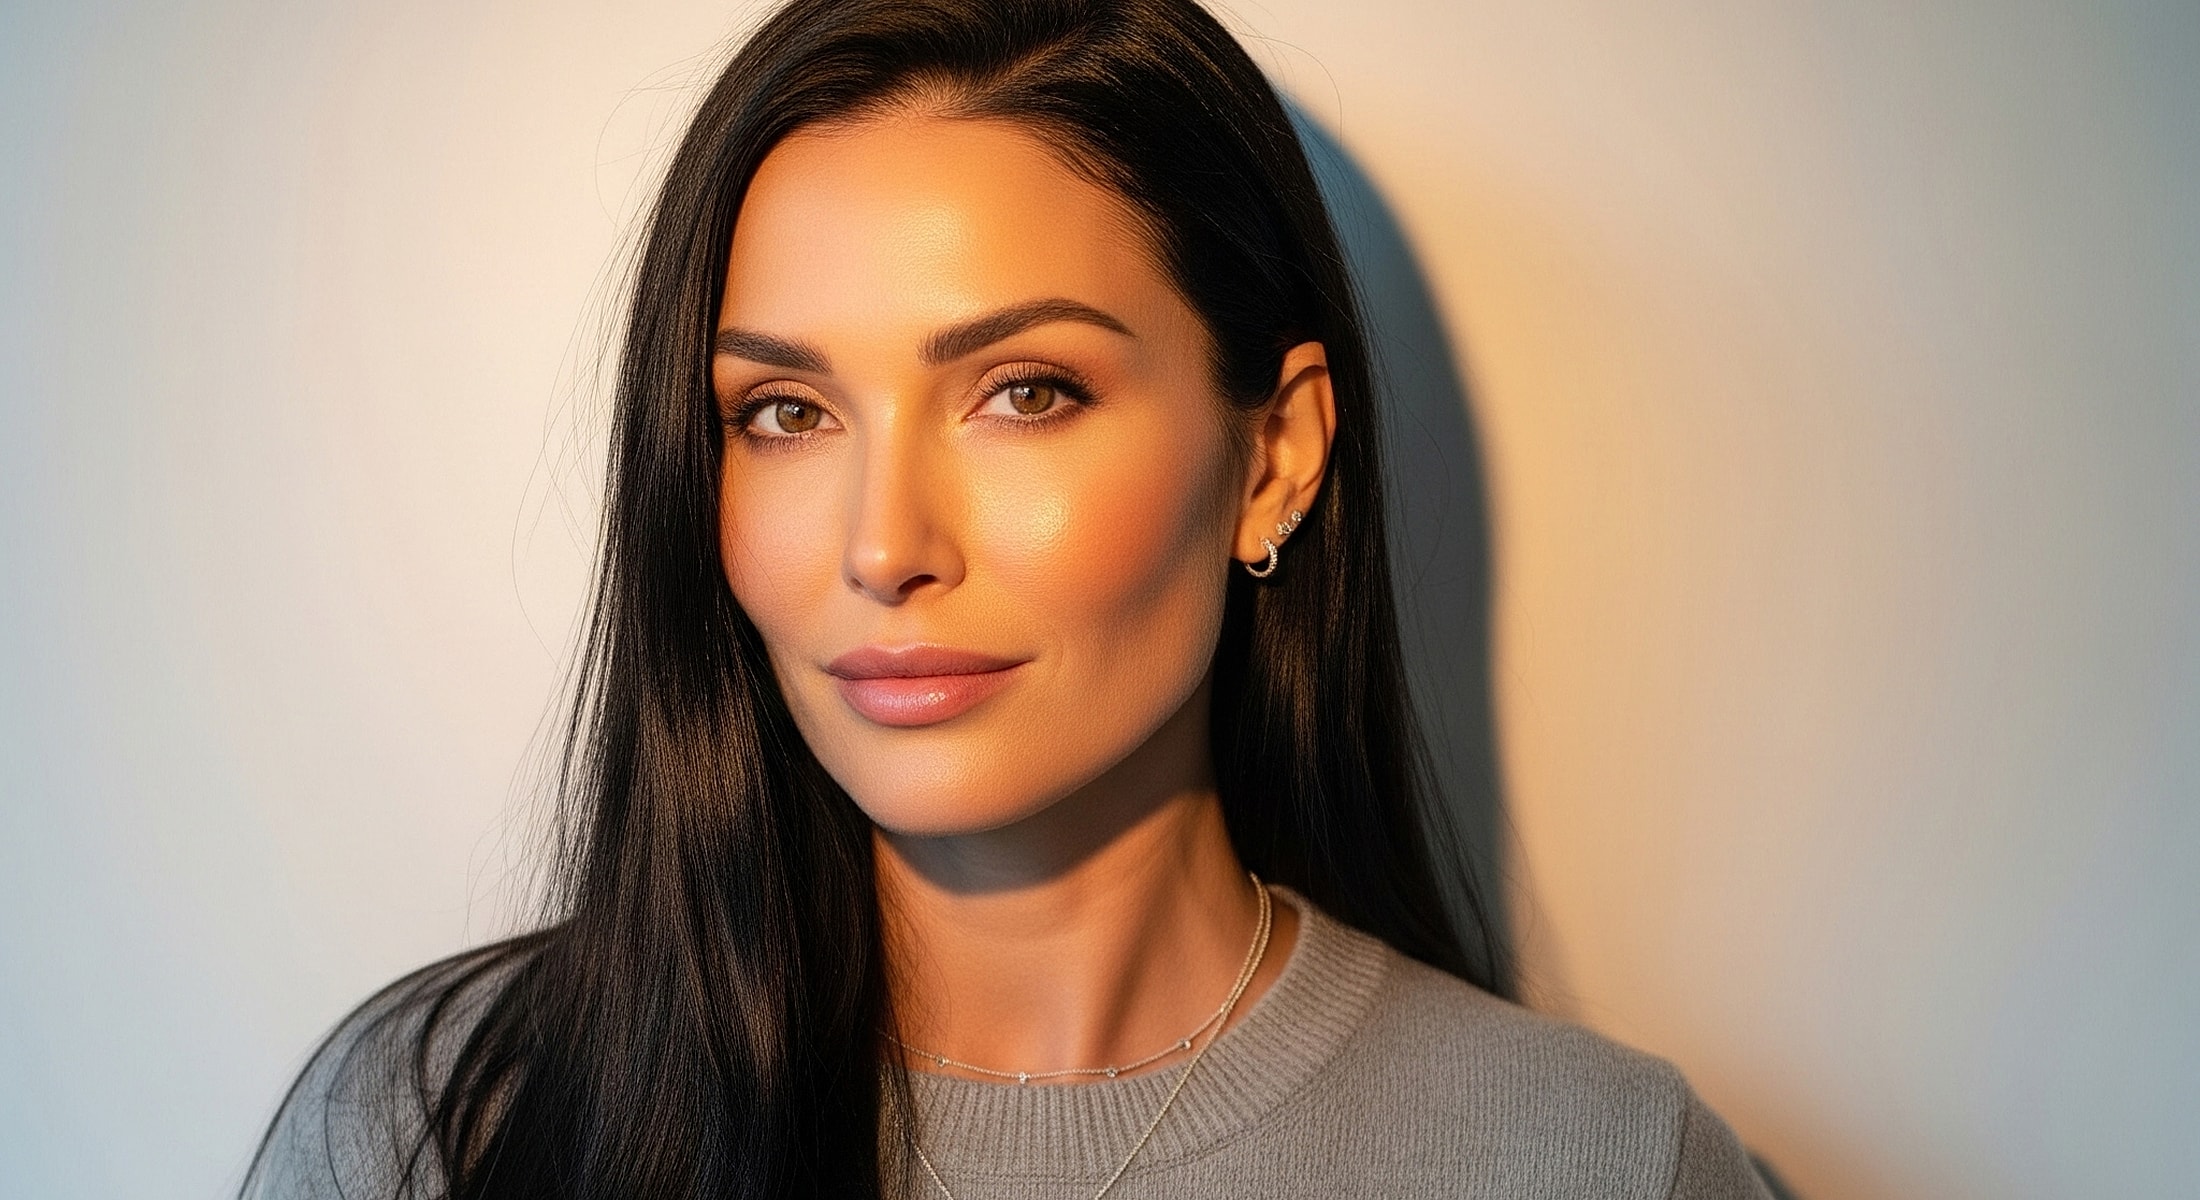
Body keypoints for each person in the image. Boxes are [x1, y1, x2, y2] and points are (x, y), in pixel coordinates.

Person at [244, 0, 1773, 1196]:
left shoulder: (1598, 1167)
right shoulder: (441, 1130)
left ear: (1275, 453)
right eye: (785, 412)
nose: (883, 544)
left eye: (1025, 391)